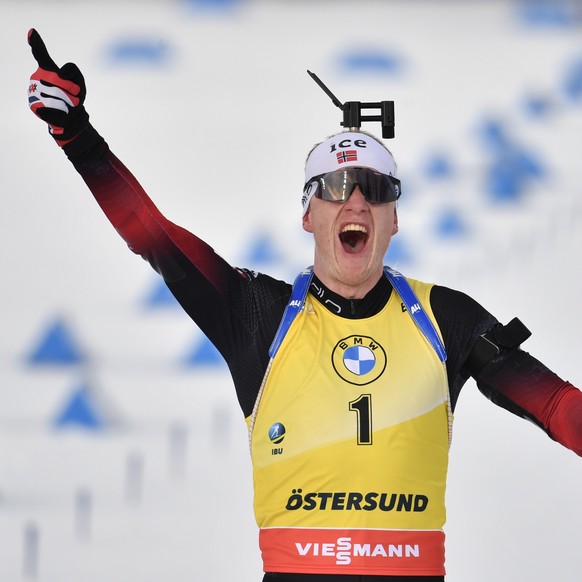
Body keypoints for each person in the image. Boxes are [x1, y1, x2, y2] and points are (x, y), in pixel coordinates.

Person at [26, 28, 582, 581]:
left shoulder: (445, 318)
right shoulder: (258, 314)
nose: (356, 201)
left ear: (394, 220)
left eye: (375, 189)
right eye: (335, 188)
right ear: (307, 215)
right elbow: (153, 236)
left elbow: (556, 406)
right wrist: (77, 137)